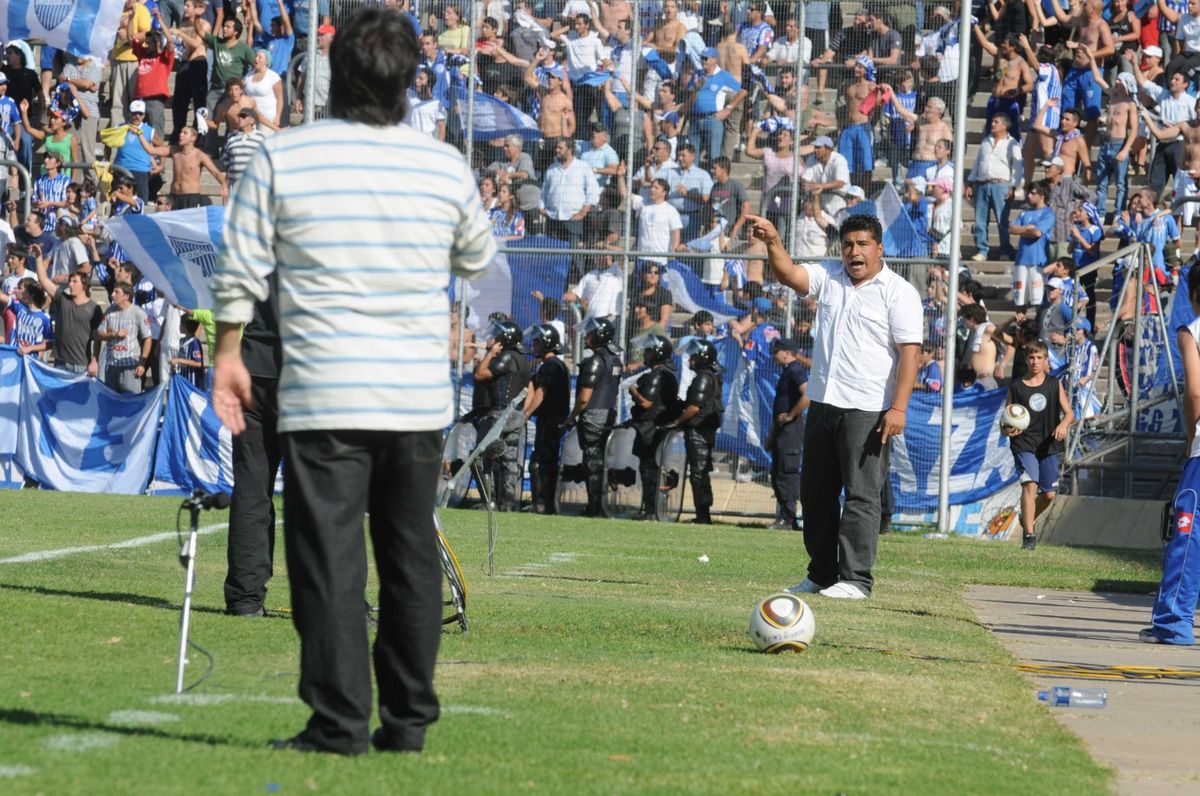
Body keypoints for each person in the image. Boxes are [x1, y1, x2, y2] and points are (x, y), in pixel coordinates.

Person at [210, 7, 496, 756]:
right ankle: (407, 725)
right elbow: (475, 256)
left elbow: (238, 266)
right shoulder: (442, 164)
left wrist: (228, 352)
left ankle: (337, 723)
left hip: (323, 390)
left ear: (333, 75)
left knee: (328, 562)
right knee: (406, 558)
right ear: (410, 80)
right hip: (411, 395)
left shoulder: (282, 157)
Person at [749, 212, 922, 600]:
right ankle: (822, 574)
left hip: (869, 409)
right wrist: (774, 241)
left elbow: (910, 352)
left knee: (861, 495)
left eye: (862, 244)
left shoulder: (899, 291)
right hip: (824, 404)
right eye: (847, 244)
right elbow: (790, 276)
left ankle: (856, 580)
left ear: (879, 248)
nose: (854, 252)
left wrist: (899, 409)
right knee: (815, 494)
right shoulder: (829, 277)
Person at [1140, 265, 1200, 644]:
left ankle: (1173, 622)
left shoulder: (1191, 330)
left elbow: (1195, 392)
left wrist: (1192, 434)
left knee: (1188, 530)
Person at [1003, 340, 1073, 550]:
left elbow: (1070, 413)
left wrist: (1063, 424)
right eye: (1031, 357)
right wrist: (1007, 429)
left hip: (1048, 445)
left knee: (1049, 494)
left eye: (1039, 358)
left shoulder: (1054, 384)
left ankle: (1027, 518)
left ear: (1046, 361)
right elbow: (1005, 419)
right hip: (1024, 443)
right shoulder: (1016, 386)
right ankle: (1029, 537)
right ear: (1026, 360)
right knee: (1030, 485)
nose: (1035, 361)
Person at [564, 317, 622, 517]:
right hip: (608, 413)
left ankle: (594, 507)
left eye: (590, 334)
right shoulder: (615, 360)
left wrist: (572, 416)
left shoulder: (595, 361)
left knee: (592, 461)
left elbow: (584, 397)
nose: (586, 337)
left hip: (593, 415)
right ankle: (598, 506)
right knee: (599, 461)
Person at [474, 318, 532, 512]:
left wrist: (490, 353)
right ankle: (508, 504)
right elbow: (530, 390)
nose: (495, 338)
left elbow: (480, 374)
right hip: (517, 413)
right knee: (509, 459)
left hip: (501, 413)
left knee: (481, 457)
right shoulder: (523, 360)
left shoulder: (506, 357)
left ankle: (489, 502)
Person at [670, 337, 723, 525]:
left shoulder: (703, 378)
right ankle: (703, 515)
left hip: (699, 432)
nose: (690, 359)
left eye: (693, 356)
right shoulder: (711, 376)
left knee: (699, 473)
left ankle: (703, 516)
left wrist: (677, 421)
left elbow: (694, 408)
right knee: (701, 472)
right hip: (704, 430)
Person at [627, 333, 680, 520]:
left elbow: (646, 403)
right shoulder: (669, 374)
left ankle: (651, 510)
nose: (645, 354)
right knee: (651, 469)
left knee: (649, 470)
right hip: (656, 427)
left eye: (649, 351)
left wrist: (633, 390)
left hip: (651, 429)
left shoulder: (657, 375)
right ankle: (652, 509)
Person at [524, 324, 570, 514]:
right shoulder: (554, 365)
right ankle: (544, 503)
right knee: (545, 462)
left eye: (536, 343)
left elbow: (540, 394)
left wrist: (526, 414)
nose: (533, 347)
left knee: (541, 464)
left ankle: (542, 503)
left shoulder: (551, 366)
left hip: (550, 420)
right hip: (551, 420)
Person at [32, 251, 101, 375]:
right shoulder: (63, 299)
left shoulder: (94, 308)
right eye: (70, 281)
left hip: (80, 364)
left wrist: (95, 361)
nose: (70, 284)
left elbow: (97, 338)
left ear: (84, 285)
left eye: (75, 281)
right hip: (59, 362)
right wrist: (38, 257)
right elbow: (43, 279)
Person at [768, 338, 809, 531]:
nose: (773, 356)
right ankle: (786, 516)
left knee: (787, 472)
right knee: (777, 472)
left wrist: (792, 415)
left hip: (791, 429)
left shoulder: (796, 370)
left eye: (776, 352)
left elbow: (807, 394)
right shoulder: (787, 372)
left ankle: (788, 517)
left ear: (786, 353)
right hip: (782, 429)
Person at [96, 281, 153, 393]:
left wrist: (142, 363)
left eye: (116, 292)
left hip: (130, 366)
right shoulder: (109, 312)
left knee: (130, 401)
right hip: (111, 365)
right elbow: (99, 334)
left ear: (126, 296)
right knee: (112, 401)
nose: (112, 294)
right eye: (113, 291)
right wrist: (114, 334)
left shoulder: (138, 313)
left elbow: (147, 338)